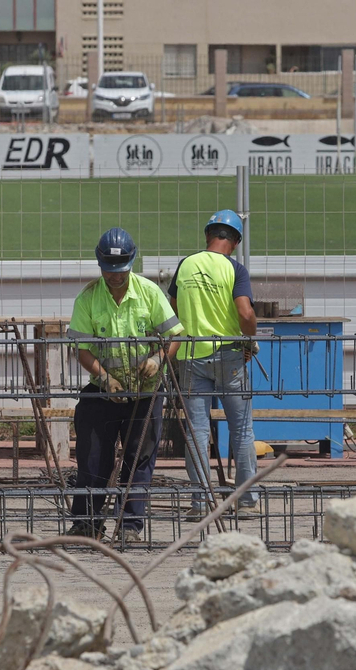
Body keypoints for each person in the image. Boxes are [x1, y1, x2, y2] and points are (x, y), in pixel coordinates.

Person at [66, 228, 184, 542]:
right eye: (109, 270)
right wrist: (105, 377)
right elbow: (82, 349)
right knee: (93, 457)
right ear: (100, 264)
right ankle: (86, 523)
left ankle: (129, 526)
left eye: (121, 270)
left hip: (145, 391)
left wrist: (158, 358)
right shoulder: (89, 298)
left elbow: (175, 336)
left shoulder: (149, 293)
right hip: (102, 391)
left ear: (132, 262)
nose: (115, 276)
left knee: (138, 459)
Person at [168, 209, 258, 519]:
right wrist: (250, 339)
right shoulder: (235, 269)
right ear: (235, 242)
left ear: (208, 235)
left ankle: (200, 504)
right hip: (230, 355)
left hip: (191, 356)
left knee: (196, 433)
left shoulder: (186, 264)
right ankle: (246, 503)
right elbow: (245, 313)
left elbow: (174, 308)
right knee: (242, 430)